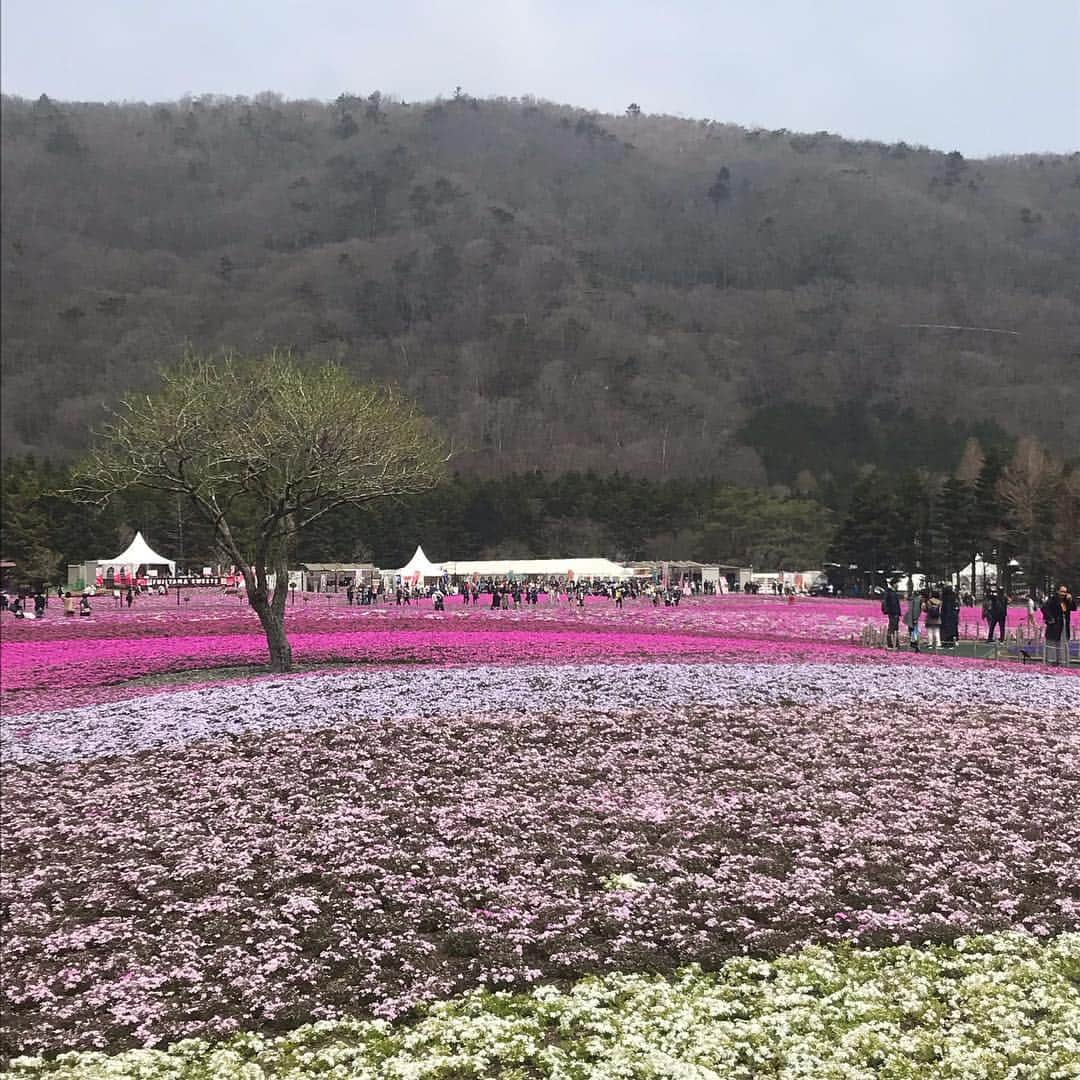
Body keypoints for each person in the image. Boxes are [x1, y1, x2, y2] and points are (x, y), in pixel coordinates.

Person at [1042, 584, 1075, 666]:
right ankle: (1052, 661)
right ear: (1057, 591)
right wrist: (1051, 619)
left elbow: (1074, 608)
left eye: (1065, 592)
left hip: (1064, 624)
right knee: (1053, 641)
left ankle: (1062, 661)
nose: (1063, 594)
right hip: (1055, 625)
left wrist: (1070, 600)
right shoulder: (1052, 600)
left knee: (1062, 642)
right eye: (1062, 591)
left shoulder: (1066, 601)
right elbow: (1044, 608)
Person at [881, 585, 902, 649]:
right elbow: (894, 604)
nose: (897, 586)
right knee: (893, 628)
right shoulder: (892, 594)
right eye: (896, 584)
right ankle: (892, 644)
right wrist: (896, 613)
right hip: (893, 613)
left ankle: (893, 643)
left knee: (892, 628)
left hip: (892, 613)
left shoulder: (888, 593)